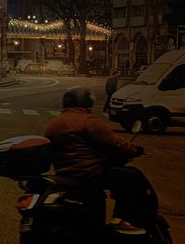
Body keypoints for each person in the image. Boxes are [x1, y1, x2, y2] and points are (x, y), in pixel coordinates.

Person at [43, 86, 147, 234]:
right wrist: (134, 150)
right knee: (132, 177)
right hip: (90, 172)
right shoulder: (87, 121)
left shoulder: (53, 124)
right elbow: (113, 142)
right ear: (87, 103)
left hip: (65, 173)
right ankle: (121, 220)